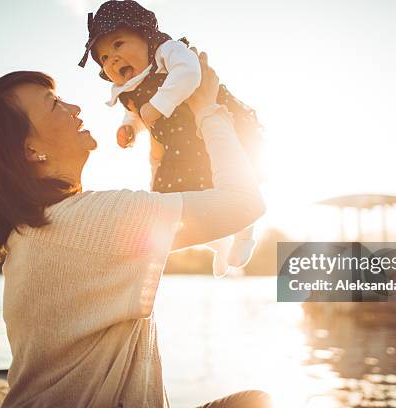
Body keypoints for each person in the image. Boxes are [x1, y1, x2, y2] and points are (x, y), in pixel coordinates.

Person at [0, 50, 270, 407]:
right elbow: (245, 203)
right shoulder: (90, 220)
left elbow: (158, 229)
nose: (75, 108)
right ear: (31, 149)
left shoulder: (43, 230)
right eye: (55, 105)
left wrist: (158, 154)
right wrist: (207, 108)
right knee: (257, 402)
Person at [78, 0, 263, 278]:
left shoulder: (167, 51)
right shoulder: (129, 86)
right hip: (182, 144)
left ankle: (244, 234)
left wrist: (157, 106)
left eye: (118, 44)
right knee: (176, 200)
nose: (112, 59)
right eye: (103, 57)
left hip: (215, 121)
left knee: (238, 174)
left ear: (144, 34)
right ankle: (218, 241)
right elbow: (137, 114)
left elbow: (190, 73)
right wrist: (130, 127)